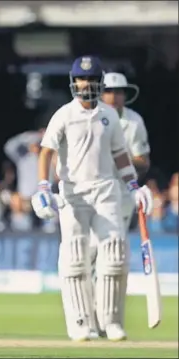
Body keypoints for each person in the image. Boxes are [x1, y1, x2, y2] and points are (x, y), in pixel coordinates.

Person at [31, 56, 153, 341]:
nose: (86, 85)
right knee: (75, 258)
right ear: (74, 83)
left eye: (92, 80)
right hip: (73, 192)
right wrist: (44, 186)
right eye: (81, 80)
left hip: (106, 190)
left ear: (100, 83)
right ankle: (80, 322)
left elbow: (121, 155)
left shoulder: (109, 115)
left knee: (114, 254)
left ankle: (111, 322)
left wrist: (134, 186)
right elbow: (47, 151)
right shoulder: (63, 114)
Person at [88, 72, 151, 337]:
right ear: (102, 93)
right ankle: (89, 319)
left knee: (112, 260)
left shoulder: (134, 122)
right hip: (90, 196)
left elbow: (143, 162)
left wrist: (119, 159)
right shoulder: (88, 116)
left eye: (121, 91)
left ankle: (111, 320)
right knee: (87, 258)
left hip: (122, 197)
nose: (116, 96)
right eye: (111, 91)